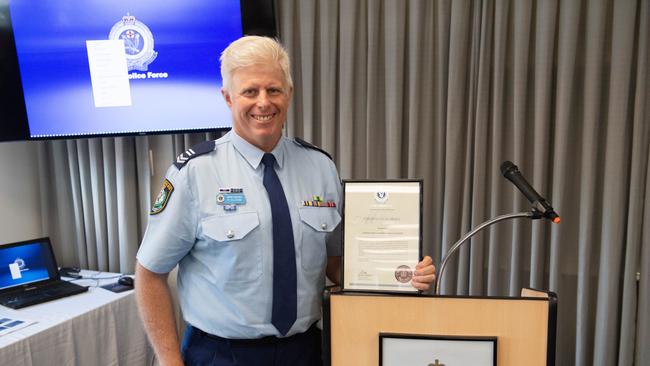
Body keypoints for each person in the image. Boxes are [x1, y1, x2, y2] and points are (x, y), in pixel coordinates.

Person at [135, 36, 436, 366]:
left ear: (289, 95)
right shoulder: (194, 173)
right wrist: (168, 360)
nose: (263, 102)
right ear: (228, 98)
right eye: (250, 91)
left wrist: (399, 273)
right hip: (221, 354)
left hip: (305, 350)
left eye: (273, 90)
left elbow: (335, 262)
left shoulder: (320, 167)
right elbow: (150, 273)